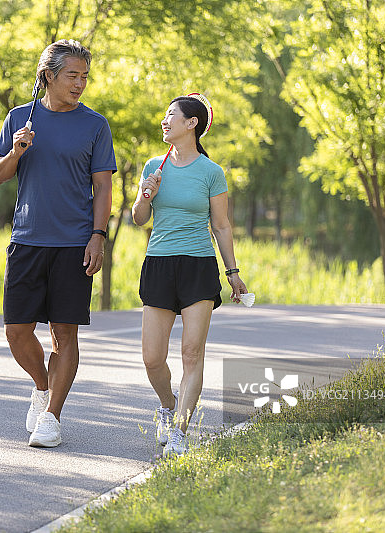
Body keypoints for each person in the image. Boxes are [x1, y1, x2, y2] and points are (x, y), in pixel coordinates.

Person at [0, 39, 116, 448]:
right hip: (27, 239)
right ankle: (42, 387)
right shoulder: (18, 119)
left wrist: (98, 236)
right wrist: (16, 151)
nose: (80, 84)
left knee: (65, 332)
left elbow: (102, 186)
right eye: (72, 76)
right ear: (48, 76)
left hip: (75, 242)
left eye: (84, 77)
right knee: (16, 331)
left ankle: (52, 416)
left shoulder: (95, 125)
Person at [131, 94, 247, 457]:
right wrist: (145, 196)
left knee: (192, 352)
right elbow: (138, 218)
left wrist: (233, 272)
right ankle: (168, 405)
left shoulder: (212, 173)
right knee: (152, 358)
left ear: (191, 123)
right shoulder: (155, 165)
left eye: (171, 115)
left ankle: (180, 431)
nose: (165, 121)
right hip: (159, 264)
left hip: (197, 265)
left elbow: (222, 226)